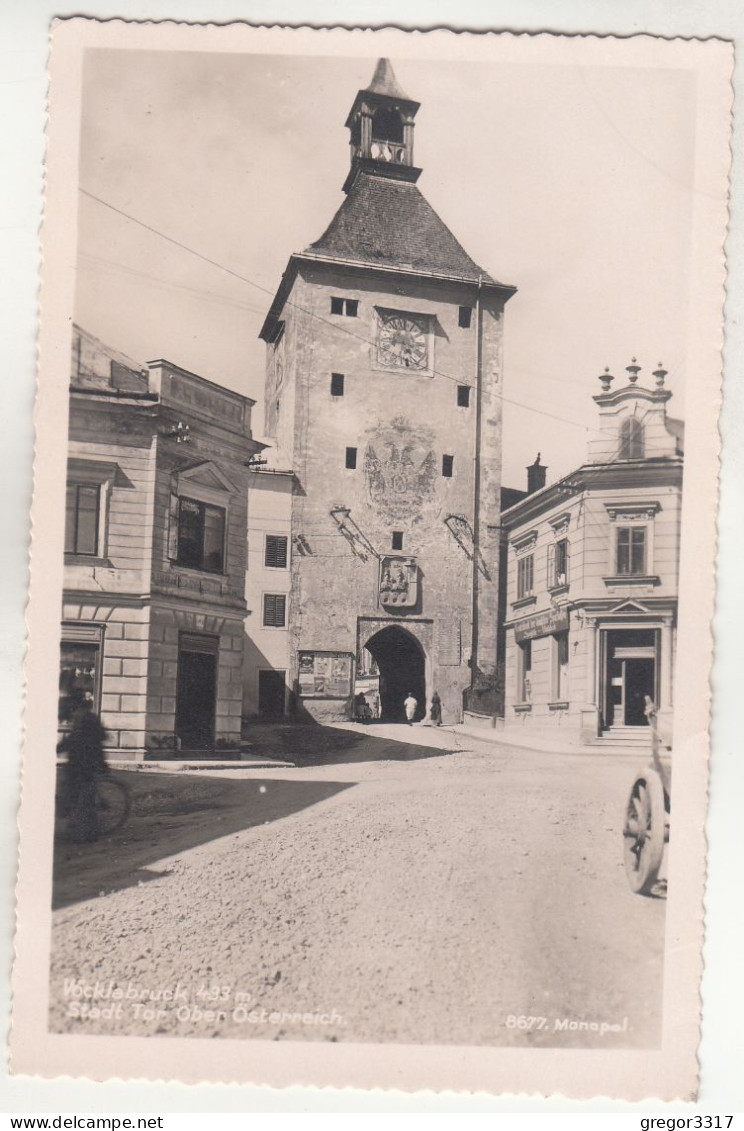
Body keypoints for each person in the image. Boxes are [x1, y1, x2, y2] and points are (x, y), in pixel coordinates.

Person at [57, 691, 109, 842]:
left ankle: (83, 834)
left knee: (79, 797)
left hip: (81, 763)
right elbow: (102, 737)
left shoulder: (81, 717)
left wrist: (58, 748)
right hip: (90, 762)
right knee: (85, 797)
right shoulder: (90, 716)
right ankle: (87, 832)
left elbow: (74, 739)